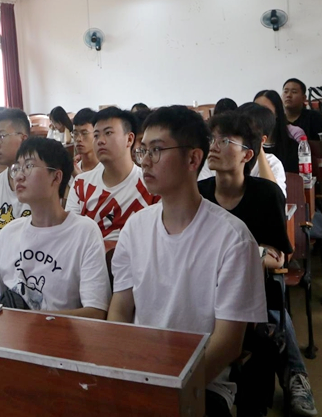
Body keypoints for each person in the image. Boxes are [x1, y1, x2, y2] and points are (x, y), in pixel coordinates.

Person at [110, 106, 267, 417]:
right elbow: (121, 309)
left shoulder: (233, 239)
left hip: (203, 383)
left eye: (157, 150)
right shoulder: (135, 227)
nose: (145, 161)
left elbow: (228, 344)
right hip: (139, 374)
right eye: (143, 150)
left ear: (193, 159)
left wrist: (170, 391)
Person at [197, 111, 316, 416]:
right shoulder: (200, 193)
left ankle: (286, 381)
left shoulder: (265, 193)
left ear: (247, 154)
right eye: (213, 139)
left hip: (251, 296)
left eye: (225, 141)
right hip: (203, 295)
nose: (214, 146)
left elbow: (278, 257)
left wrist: (237, 257)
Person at [0, 138, 109, 315]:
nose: (19, 176)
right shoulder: (10, 231)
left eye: (28, 166)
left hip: (55, 331)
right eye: (17, 168)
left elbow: (95, 312)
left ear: (56, 177)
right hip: (8, 329)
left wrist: (30, 322)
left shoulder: (84, 232)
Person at [66, 107, 158, 240]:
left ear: (129, 139)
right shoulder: (81, 184)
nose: (100, 140)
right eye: (96, 135)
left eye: (108, 133)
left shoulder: (151, 185)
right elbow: (72, 236)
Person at [255, 90, 300, 172]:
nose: (259, 114)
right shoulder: (245, 146)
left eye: (265, 110)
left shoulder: (291, 148)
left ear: (277, 113)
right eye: (255, 109)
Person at [71, 108, 99, 176]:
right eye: (75, 133)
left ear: (96, 134)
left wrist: (79, 177)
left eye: (84, 133)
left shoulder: (106, 170)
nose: (78, 139)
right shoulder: (73, 169)